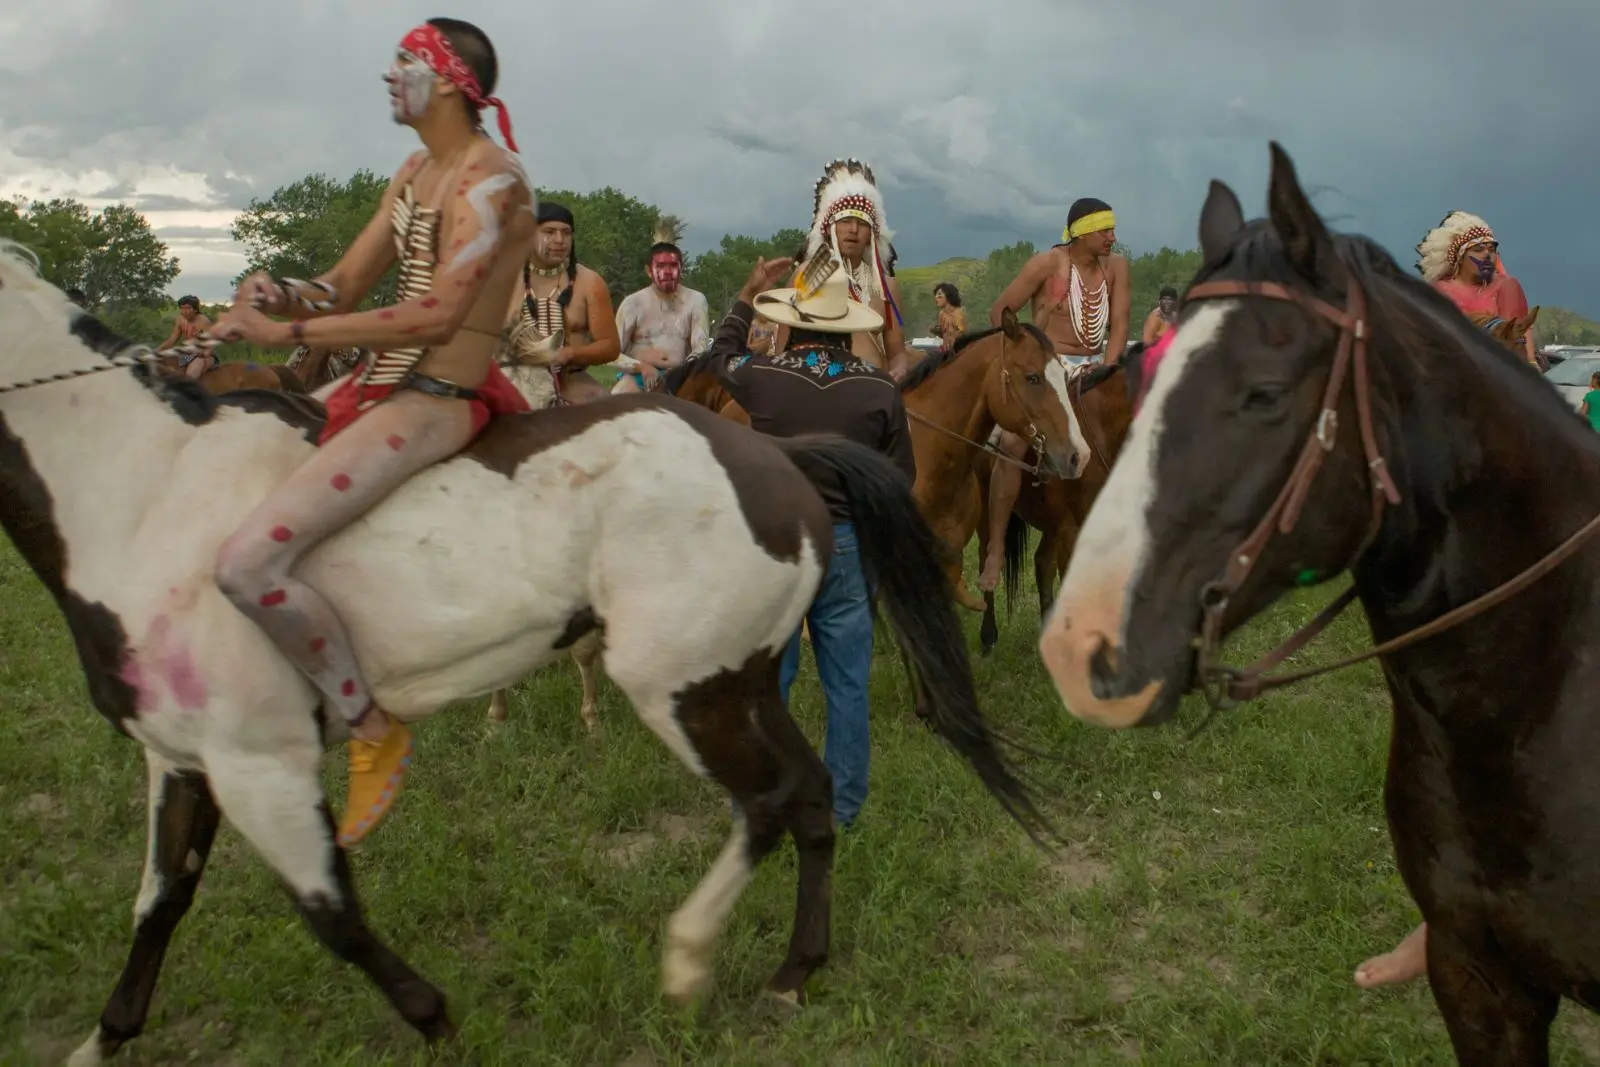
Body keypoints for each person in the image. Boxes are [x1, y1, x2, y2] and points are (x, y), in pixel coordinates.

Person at [206, 17, 536, 847]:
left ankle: (366, 723)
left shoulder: (494, 180)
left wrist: (286, 335)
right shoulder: (415, 172)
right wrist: (282, 291)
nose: (390, 75)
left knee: (245, 564)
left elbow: (438, 313)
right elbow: (343, 283)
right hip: (379, 384)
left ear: (449, 80)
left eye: (406, 61)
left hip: (435, 395)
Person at [710, 252, 916, 828]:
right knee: (847, 684)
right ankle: (840, 807)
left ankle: (759, 801)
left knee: (767, 680)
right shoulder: (878, 388)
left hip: (775, 542)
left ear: (791, 323)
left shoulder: (764, 376)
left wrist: (749, 292)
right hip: (845, 543)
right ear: (846, 328)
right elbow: (901, 478)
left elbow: (719, 355)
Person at [977, 197, 1131, 593]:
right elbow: (1000, 313)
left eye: (1112, 230)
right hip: (1050, 368)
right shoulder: (1046, 265)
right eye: (1105, 230)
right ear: (1081, 232)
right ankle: (995, 546)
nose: (1112, 237)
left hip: (1098, 370)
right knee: (1012, 443)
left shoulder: (1116, 267)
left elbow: (1119, 325)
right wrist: (1035, 354)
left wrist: (1108, 367)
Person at [780, 158, 912, 380]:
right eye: (845, 221)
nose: (853, 230)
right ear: (829, 228)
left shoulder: (886, 287)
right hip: (815, 388)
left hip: (871, 390)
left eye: (862, 224)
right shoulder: (806, 275)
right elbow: (783, 348)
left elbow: (897, 353)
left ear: (872, 235)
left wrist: (898, 370)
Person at [501, 200, 620, 406]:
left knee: (610, 416)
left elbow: (610, 347)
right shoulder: (505, 280)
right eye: (549, 232)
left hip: (571, 380)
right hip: (514, 377)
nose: (559, 240)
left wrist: (570, 353)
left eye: (566, 233)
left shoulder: (590, 282)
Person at [1416, 211, 1538, 365]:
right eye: (1478, 249)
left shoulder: (1506, 286)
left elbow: (1515, 336)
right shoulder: (1439, 290)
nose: (1487, 255)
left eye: (1492, 249)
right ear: (1459, 257)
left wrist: (1531, 364)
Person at [612, 219, 710, 392]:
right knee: (617, 398)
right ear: (649, 271)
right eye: (660, 266)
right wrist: (641, 367)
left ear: (681, 268)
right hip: (638, 377)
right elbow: (612, 354)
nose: (667, 272)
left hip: (681, 377)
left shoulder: (695, 300)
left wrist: (681, 372)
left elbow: (700, 349)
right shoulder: (633, 303)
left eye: (673, 265)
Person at [159, 296, 217, 379]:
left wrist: (204, 353)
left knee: (191, 375)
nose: (185, 311)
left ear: (195, 309)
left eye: (188, 308)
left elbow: (211, 343)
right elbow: (172, 340)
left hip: (204, 356)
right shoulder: (180, 320)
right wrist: (157, 351)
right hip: (187, 353)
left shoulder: (204, 321)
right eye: (182, 308)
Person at [931, 282, 967, 353]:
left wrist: (953, 337)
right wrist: (937, 332)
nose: (936, 298)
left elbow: (962, 335)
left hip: (958, 352)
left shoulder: (958, 313)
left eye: (940, 296)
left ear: (949, 297)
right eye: (936, 295)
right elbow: (943, 335)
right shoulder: (941, 314)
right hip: (945, 351)